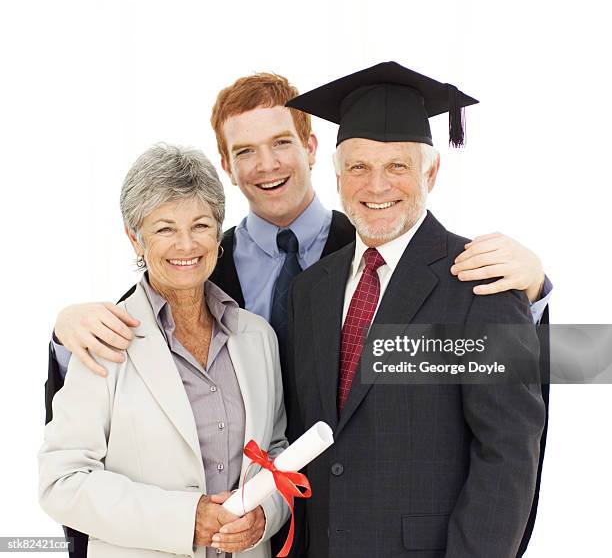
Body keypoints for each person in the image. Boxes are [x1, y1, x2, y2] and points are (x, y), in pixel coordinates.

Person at [44, 73, 550, 557]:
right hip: (286, 538)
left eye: (397, 166)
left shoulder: (468, 272)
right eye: (245, 151)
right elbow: (139, 341)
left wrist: (536, 294)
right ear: (228, 164)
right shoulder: (211, 265)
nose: (267, 165)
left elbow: (511, 437)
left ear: (310, 149)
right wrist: (62, 327)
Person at [281, 61, 547, 557]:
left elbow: (508, 455)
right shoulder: (311, 290)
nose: (376, 186)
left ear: (431, 172)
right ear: (336, 176)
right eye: (358, 167)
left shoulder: (479, 284)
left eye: (397, 166)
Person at [39, 145, 289, 558]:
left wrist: (266, 514)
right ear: (134, 238)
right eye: (165, 229)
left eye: (201, 225)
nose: (186, 244)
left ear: (218, 232)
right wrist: (185, 519)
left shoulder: (257, 337)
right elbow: (61, 482)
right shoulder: (104, 339)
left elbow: (275, 450)